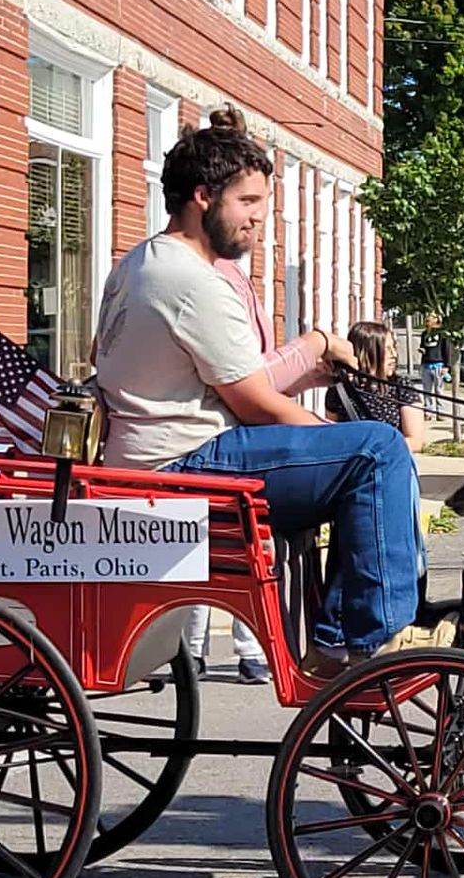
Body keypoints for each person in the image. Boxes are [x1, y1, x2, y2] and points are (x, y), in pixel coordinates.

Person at [93, 106, 430, 677]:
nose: (257, 221)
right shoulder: (190, 280)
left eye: (262, 206)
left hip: (161, 459)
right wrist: (344, 437)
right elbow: (254, 404)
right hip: (184, 467)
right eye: (247, 204)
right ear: (203, 197)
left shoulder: (138, 262)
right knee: (377, 451)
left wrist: (316, 395)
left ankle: (338, 636)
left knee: (366, 458)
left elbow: (226, 385)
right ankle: (369, 636)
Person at [179, 247, 326, 686]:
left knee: (250, 557)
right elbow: (250, 389)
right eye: (247, 204)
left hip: (232, 447)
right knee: (235, 559)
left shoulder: (234, 281)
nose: (256, 221)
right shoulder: (205, 282)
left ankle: (241, 651)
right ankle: (211, 651)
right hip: (211, 451)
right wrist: (314, 348)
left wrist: (307, 376)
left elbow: (253, 376)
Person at [327, 321, 427, 452]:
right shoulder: (340, 389)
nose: (394, 355)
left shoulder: (401, 387)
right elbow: (332, 438)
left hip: (389, 467)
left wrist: (371, 450)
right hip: (354, 469)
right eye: (387, 349)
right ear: (367, 352)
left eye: (394, 348)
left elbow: (414, 442)